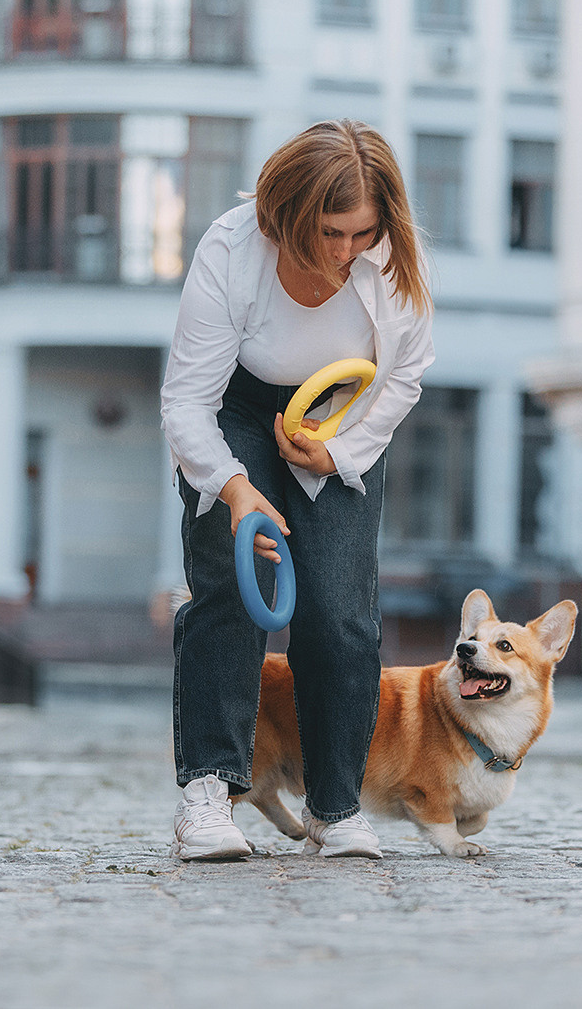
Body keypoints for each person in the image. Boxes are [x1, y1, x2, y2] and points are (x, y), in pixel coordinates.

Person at [160, 119, 435, 860]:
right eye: (330, 232)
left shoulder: (391, 262)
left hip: (340, 414)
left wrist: (337, 451)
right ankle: (209, 793)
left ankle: (336, 806)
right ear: (287, 214)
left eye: (362, 232)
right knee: (228, 586)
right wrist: (234, 486)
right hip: (238, 410)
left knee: (342, 612)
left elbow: (404, 376)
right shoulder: (232, 247)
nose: (347, 250)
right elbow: (187, 399)